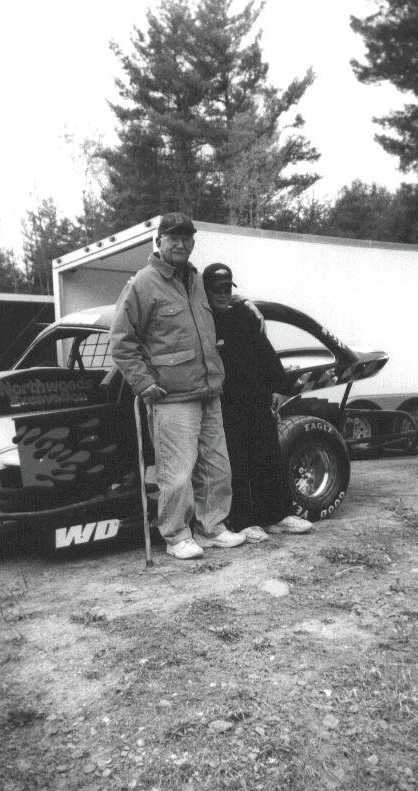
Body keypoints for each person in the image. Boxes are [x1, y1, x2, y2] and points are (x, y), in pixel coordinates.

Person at [110, 213, 246, 560]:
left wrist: (249, 305)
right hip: (172, 398)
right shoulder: (142, 284)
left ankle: (212, 528)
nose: (180, 244)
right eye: (173, 238)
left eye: (186, 238)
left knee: (217, 467)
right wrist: (143, 383)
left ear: (193, 243)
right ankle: (175, 535)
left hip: (208, 393)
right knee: (177, 472)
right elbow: (122, 342)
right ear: (159, 241)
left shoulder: (196, 280)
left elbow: (220, 306)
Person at [203, 263, 313, 541]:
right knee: (236, 462)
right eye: (217, 290)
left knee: (268, 456)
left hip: (257, 398)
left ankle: (276, 516)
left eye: (228, 288)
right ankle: (243, 522)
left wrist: (278, 387)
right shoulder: (203, 321)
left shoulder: (244, 314)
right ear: (205, 291)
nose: (224, 294)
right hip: (225, 404)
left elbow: (265, 352)